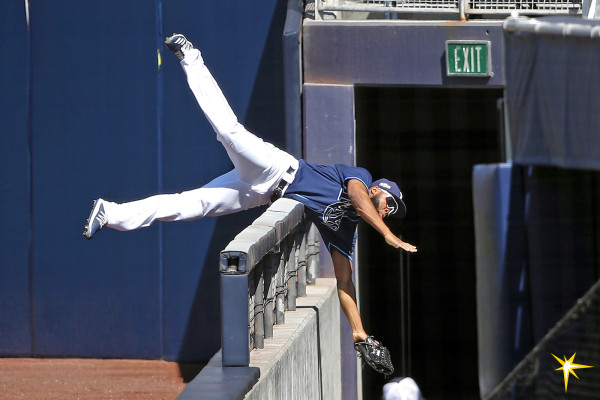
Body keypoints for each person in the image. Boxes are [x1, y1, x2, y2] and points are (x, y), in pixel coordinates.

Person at [83, 33, 417, 374]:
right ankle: (189, 55)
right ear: (380, 188)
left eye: (393, 211)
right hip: (275, 168)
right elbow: (360, 200)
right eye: (390, 202)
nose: (389, 210)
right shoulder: (359, 178)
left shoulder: (346, 229)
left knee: (191, 206)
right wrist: (388, 235)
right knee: (228, 132)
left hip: (260, 194)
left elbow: (345, 283)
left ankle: (110, 212)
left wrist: (359, 333)